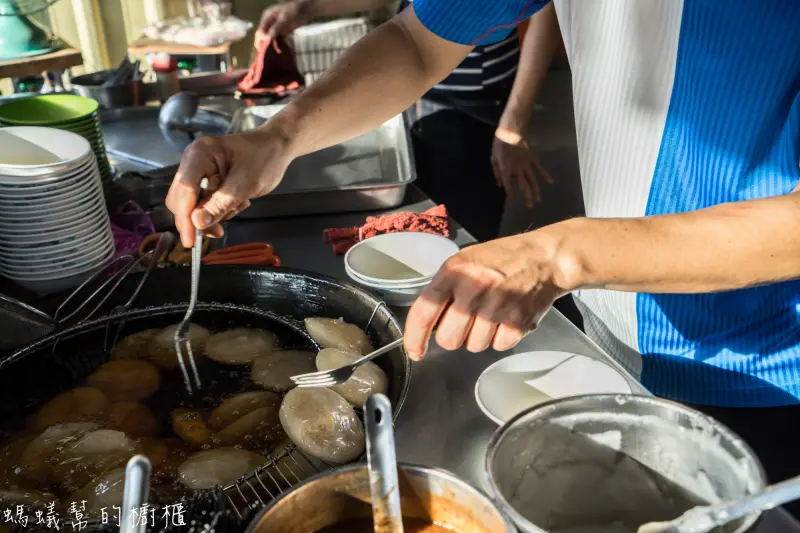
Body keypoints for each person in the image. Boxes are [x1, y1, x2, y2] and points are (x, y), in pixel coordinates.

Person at [166, 0, 800, 512]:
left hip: (765, 373)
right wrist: (277, 137)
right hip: (613, 326)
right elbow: (419, 41)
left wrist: (561, 254)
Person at [253, 0, 557, 243]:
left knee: (459, 236)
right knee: (423, 226)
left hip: (475, 108)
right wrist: (307, 7)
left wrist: (511, 126)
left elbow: (546, 16)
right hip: (418, 96)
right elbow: (412, 33)